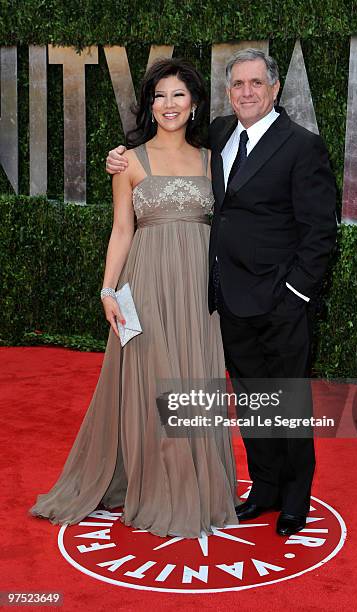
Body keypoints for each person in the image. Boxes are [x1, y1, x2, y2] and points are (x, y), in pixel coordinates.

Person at [106, 48, 337, 537]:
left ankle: (295, 499)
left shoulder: (302, 145)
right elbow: (166, 165)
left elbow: (321, 231)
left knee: (287, 402)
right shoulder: (217, 136)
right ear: (227, 92)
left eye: (256, 83)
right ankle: (267, 488)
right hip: (225, 299)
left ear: (275, 89)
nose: (247, 92)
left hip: (281, 301)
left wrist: (296, 294)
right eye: (238, 85)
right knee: (252, 400)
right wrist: (118, 157)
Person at [30, 58, 239, 538]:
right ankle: (159, 486)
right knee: (152, 386)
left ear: (195, 104)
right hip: (145, 283)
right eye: (160, 95)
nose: (169, 104)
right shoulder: (128, 160)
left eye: (179, 95)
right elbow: (122, 229)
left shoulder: (213, 160)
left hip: (198, 290)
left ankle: (198, 486)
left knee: (195, 380)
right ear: (150, 104)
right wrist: (108, 289)